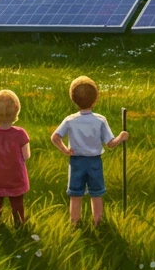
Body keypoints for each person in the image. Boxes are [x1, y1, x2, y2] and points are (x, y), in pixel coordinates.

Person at [51, 76, 128, 227]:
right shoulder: (100, 120)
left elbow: (55, 137)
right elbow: (110, 144)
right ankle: (97, 223)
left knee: (75, 195)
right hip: (94, 162)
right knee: (96, 194)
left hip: (76, 162)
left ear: (73, 98)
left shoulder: (70, 120)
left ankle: (74, 224)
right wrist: (122, 136)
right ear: (95, 98)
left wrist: (65, 150)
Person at [0, 89, 30, 225]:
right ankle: (19, 223)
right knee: (17, 203)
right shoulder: (21, 133)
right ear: (16, 111)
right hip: (16, 177)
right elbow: (27, 155)